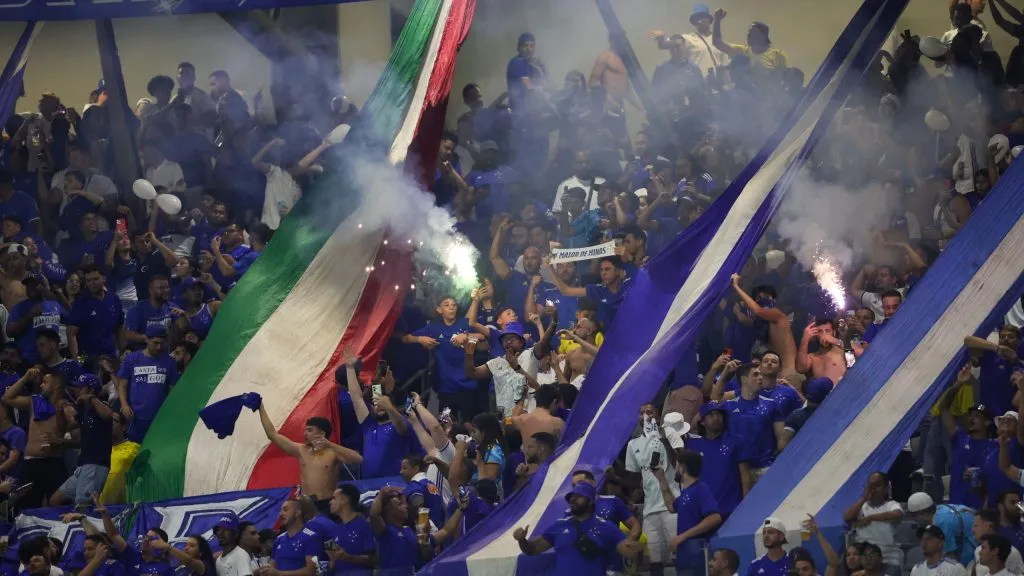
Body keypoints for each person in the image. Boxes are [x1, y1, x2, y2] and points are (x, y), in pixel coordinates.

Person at [513, 482, 642, 575]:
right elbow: (532, 550)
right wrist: (522, 540)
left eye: (578, 497)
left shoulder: (606, 527)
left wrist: (636, 549)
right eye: (571, 497)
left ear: (591, 501)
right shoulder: (559, 526)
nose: (573, 500)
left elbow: (631, 554)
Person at [256, 401, 361, 513]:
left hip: (327, 503)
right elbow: (272, 434)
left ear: (322, 433)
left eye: (310, 430)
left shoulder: (333, 452)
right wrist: (260, 407)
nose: (305, 433)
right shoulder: (301, 450)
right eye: (305, 430)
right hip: (306, 504)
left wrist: (330, 444)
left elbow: (358, 459)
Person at [1, 367, 72, 508]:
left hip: (54, 463)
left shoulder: (66, 408)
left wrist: (60, 441)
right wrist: (26, 377)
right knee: (26, 506)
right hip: (31, 464)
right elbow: (7, 398)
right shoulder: (34, 402)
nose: (41, 385)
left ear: (56, 385)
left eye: (45, 382)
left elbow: (78, 437)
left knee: (59, 506)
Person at [624, 404, 678, 576]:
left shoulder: (669, 436)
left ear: (658, 415)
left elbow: (676, 461)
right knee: (654, 560)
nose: (645, 415)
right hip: (650, 509)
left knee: (678, 555)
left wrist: (660, 437)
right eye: (641, 413)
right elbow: (635, 478)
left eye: (649, 412)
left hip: (672, 505)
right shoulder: (633, 444)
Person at [342, 351, 413, 479]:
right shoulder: (369, 424)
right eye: (376, 405)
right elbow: (356, 397)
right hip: (368, 485)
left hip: (395, 483)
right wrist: (350, 368)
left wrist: (389, 407)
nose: (378, 407)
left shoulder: (399, 423)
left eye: (383, 405)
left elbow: (401, 426)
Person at [652, 449, 723, 576]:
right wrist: (661, 479)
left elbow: (714, 517)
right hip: (686, 556)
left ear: (682, 468)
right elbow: (671, 506)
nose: (676, 469)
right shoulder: (686, 493)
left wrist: (682, 537)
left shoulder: (701, 489)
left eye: (677, 465)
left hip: (697, 555)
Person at [116, 326, 180, 443]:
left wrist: (168, 411)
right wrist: (124, 405)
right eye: (155, 343)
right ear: (147, 340)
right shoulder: (132, 358)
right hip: (135, 416)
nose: (159, 347)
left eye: (162, 343)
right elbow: (122, 385)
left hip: (158, 416)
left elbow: (172, 389)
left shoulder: (169, 362)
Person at [686, 402, 749, 517]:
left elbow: (745, 475)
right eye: (710, 415)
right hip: (705, 512)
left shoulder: (735, 440)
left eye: (718, 414)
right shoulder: (693, 445)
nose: (716, 418)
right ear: (703, 421)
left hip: (732, 509)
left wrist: (746, 505)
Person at [843, 472, 904, 574]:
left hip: (888, 560)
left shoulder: (891, 505)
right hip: (866, 562)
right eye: (871, 485)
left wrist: (871, 518)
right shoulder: (861, 506)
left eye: (878, 485)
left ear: (885, 489)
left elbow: (897, 514)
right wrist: (863, 498)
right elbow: (847, 517)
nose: (873, 489)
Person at [907, 492, 977, 566]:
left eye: (914, 516)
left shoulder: (942, 522)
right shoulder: (939, 510)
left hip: (974, 542)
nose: (914, 520)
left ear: (922, 513)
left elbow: (950, 557)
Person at [324, 484, 375, 575]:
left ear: (344, 500)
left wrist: (347, 557)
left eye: (334, 498)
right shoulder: (332, 530)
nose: (330, 502)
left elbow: (374, 560)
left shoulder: (364, 525)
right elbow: (333, 562)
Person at [264, 500, 315, 576]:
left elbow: (311, 571)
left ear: (298, 513)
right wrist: (264, 571)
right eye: (280, 511)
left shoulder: (310, 537)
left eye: (285, 510)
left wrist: (279, 573)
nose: (281, 514)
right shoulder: (278, 540)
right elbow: (272, 566)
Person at [969, 509, 1024, 576]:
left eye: (976, 526)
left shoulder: (1011, 553)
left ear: (987, 526)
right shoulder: (977, 550)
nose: (973, 530)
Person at [797, 320, 848, 384]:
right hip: (823, 393)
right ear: (815, 334)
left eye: (827, 331)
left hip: (842, 391)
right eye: (820, 331)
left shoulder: (841, 351)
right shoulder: (812, 356)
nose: (824, 334)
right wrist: (805, 339)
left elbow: (854, 361)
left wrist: (836, 341)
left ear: (834, 332)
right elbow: (801, 369)